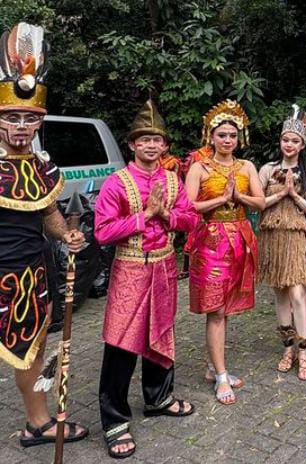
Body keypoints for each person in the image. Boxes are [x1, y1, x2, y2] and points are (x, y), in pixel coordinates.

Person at [0, 22, 89, 450]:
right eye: (11, 117)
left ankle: (38, 423)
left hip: (32, 275)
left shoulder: (40, 167)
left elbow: (49, 212)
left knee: (31, 350)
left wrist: (67, 236)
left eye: (29, 119)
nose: (21, 127)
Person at [95, 100, 197, 458]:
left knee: (161, 330)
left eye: (157, 140)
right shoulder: (117, 183)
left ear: (165, 146)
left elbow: (191, 220)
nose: (151, 145)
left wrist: (166, 213)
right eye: (144, 140)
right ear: (132, 144)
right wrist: (145, 216)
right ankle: (114, 419)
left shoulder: (173, 180)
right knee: (123, 340)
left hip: (165, 267)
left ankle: (158, 398)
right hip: (131, 268)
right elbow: (103, 232)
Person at [185, 100, 265, 405]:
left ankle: (212, 366)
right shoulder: (199, 167)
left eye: (232, 134)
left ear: (239, 137)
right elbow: (188, 206)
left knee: (226, 309)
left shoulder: (246, 167)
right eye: (222, 135)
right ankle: (221, 376)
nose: (228, 140)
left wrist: (238, 195)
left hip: (241, 239)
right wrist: (221, 199)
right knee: (215, 310)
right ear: (211, 136)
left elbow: (260, 203)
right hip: (211, 243)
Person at [258, 104, 306, 380]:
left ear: (302, 144)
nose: (289, 144)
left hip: (297, 239)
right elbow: (258, 204)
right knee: (281, 294)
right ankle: (288, 348)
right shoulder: (267, 170)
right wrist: (282, 192)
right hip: (274, 239)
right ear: (280, 141)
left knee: (298, 293)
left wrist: (294, 196)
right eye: (286, 140)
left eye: (295, 141)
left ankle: (304, 349)